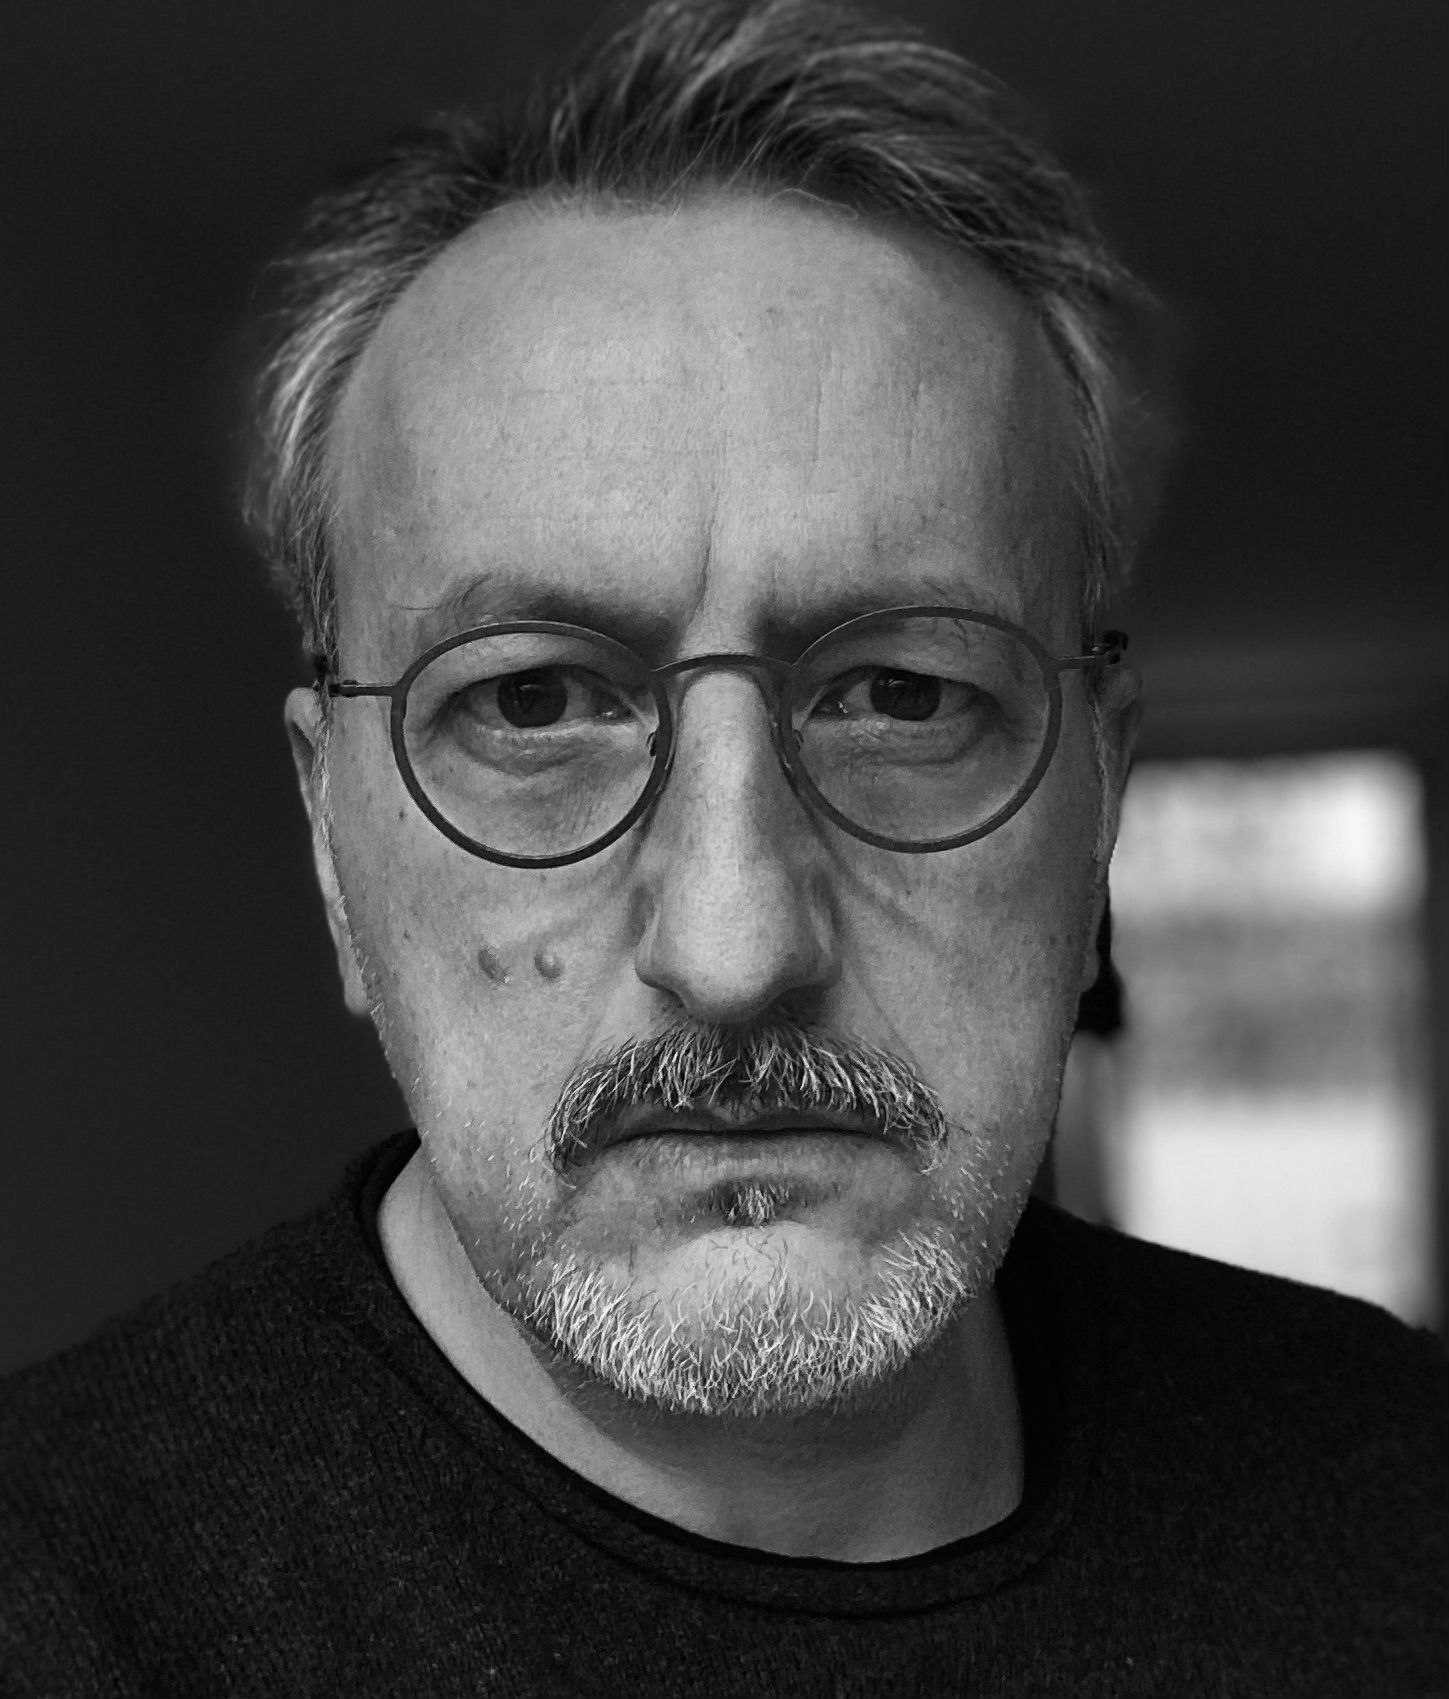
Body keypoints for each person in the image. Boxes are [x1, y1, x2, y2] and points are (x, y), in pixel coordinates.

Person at [3, 2, 1443, 1692]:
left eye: (901, 697)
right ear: (333, 840)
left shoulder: (1400, 1501)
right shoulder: (57, 1607)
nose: (735, 941)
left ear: (1098, 806)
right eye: (533, 702)